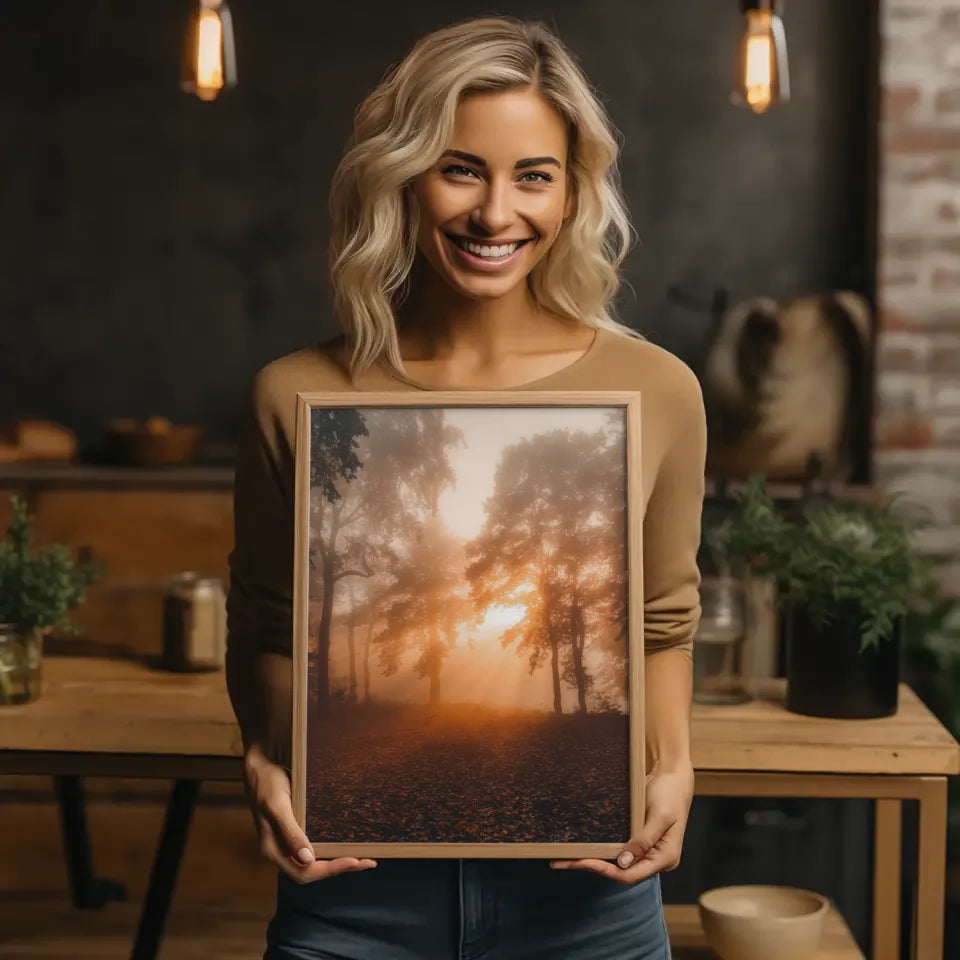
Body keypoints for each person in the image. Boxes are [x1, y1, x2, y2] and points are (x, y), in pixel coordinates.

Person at [226, 16, 705, 960]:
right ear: (401, 178)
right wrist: (261, 756)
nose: (496, 214)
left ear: (572, 195)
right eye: (460, 169)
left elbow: (661, 624)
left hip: (588, 907)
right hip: (351, 903)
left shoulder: (659, 390)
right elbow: (266, 627)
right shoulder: (297, 395)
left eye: (534, 175)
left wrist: (675, 765)